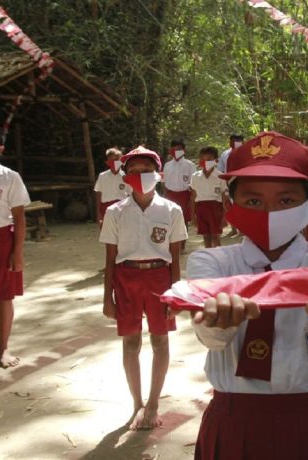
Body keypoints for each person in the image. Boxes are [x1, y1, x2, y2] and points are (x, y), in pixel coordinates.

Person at [187, 131, 308, 460]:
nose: (269, 212)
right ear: (230, 205)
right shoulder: (212, 262)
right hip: (235, 421)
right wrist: (216, 320)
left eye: (285, 201)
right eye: (253, 201)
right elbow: (210, 338)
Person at [99, 146, 188, 430]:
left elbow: (175, 257)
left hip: (159, 279)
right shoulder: (115, 212)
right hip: (126, 279)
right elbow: (110, 259)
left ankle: (153, 403)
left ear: (157, 174)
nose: (140, 176)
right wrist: (107, 298)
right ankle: (137, 403)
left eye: (146, 170)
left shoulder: (172, 210)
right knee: (131, 342)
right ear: (126, 175)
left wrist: (176, 293)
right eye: (134, 171)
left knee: (160, 341)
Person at [0, 125, 30, 368]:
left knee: (4, 296)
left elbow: (19, 217)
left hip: (1, 241)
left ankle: (3, 348)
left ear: (0, 147)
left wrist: (17, 252)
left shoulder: (9, 177)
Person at [189, 146, 228, 248]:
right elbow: (193, 197)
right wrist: (192, 215)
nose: (205, 162)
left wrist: (225, 216)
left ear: (216, 160)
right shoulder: (195, 176)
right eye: (203, 159)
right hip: (201, 209)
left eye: (209, 159)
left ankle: (218, 259)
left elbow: (225, 198)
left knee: (216, 237)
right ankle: (209, 259)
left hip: (216, 209)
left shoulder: (221, 176)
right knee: (206, 237)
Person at [163, 139, 196, 245]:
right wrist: (164, 196)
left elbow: (194, 183)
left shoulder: (190, 165)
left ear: (184, 150)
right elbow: (164, 182)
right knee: (169, 219)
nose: (177, 151)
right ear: (171, 150)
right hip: (170, 195)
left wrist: (192, 199)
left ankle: (182, 244)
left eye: (179, 149)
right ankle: (171, 243)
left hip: (184, 194)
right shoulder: (167, 165)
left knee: (183, 220)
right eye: (174, 149)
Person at [94, 147, 130, 227]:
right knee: (106, 235)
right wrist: (98, 213)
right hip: (105, 209)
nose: (114, 163)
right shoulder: (102, 176)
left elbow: (130, 195)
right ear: (108, 161)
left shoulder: (126, 177)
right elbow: (98, 193)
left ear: (121, 161)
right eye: (111, 160)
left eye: (117, 160)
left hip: (121, 209)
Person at [217, 134, 244, 237]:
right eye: (233, 141)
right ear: (230, 142)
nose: (235, 143)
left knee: (242, 205)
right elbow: (221, 169)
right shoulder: (225, 154)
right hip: (229, 182)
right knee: (230, 206)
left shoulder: (247, 153)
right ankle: (233, 228)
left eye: (238, 141)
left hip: (243, 181)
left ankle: (243, 229)